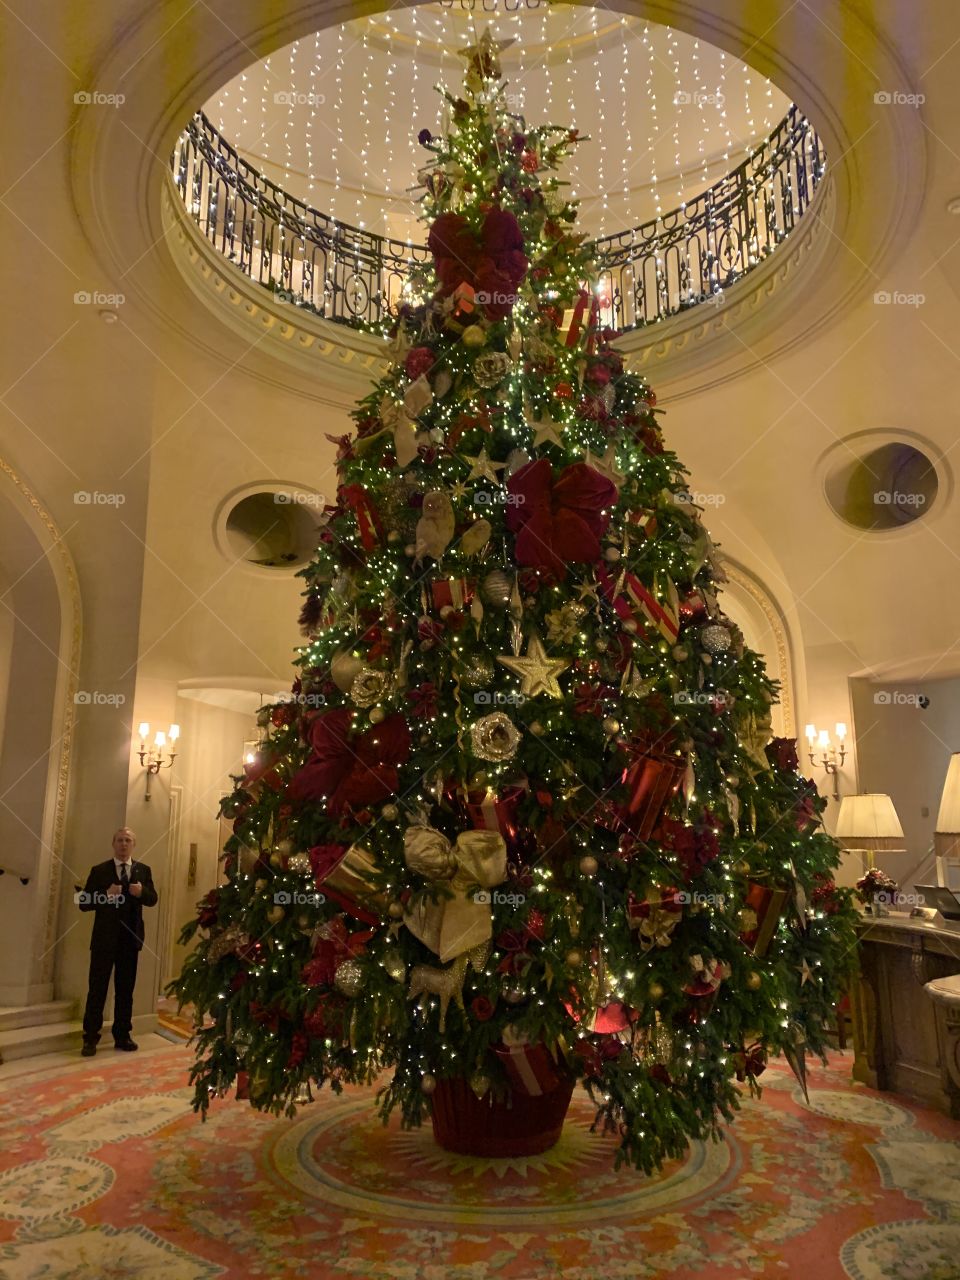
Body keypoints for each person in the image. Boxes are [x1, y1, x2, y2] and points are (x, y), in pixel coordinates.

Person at [78, 827, 158, 1055]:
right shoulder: (99, 871)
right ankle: (90, 1038)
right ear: (113, 844)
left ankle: (123, 1035)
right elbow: (83, 902)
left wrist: (141, 892)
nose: (124, 844)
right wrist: (105, 895)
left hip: (130, 941)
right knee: (97, 990)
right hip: (104, 941)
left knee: (125, 991)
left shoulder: (143, 870)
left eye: (128, 840)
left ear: (134, 845)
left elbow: (153, 899)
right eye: (120, 840)